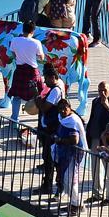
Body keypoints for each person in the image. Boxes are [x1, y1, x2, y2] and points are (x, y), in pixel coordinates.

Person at [86, 81, 109, 200]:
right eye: (100, 90)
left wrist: (108, 106)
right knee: (95, 168)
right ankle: (97, 194)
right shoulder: (95, 101)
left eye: (105, 90)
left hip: (108, 142)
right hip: (95, 139)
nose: (102, 93)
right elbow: (92, 118)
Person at [54, 96, 88, 215]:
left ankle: (77, 205)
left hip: (73, 153)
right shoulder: (62, 118)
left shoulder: (72, 121)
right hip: (65, 152)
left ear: (70, 108)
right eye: (61, 108)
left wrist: (60, 140)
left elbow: (74, 139)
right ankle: (75, 203)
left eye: (65, 108)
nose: (63, 111)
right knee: (66, 179)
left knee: (71, 179)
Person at [6, 22, 45, 124]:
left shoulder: (14, 40)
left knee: (16, 95)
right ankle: (42, 118)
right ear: (33, 31)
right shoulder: (36, 43)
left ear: (23, 29)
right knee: (39, 94)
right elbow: (41, 57)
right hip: (32, 71)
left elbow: (13, 53)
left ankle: (14, 118)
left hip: (20, 70)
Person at [35, 66, 64, 195]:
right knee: (48, 159)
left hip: (52, 130)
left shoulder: (56, 91)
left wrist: (37, 99)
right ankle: (49, 185)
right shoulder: (56, 87)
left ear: (52, 78)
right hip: (49, 129)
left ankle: (50, 186)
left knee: (50, 160)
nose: (45, 81)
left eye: (46, 78)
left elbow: (45, 107)